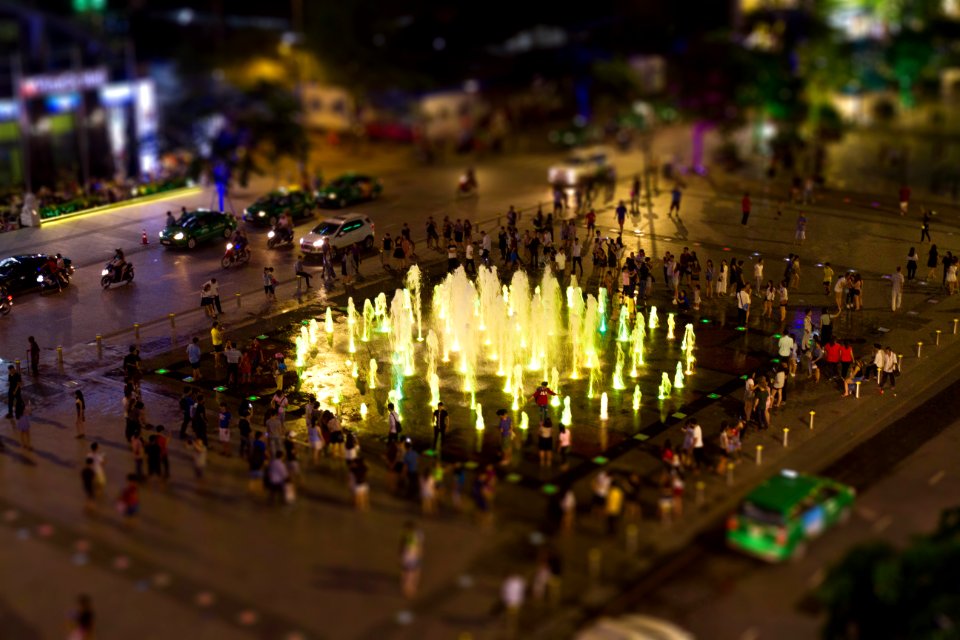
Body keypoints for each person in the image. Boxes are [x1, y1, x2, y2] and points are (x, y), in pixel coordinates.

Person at [399, 521, 424, 599]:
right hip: (412, 556)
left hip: (410, 556)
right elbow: (420, 546)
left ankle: (408, 588)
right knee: (412, 572)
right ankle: (410, 588)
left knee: (409, 573)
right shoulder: (419, 533)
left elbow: (403, 545)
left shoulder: (408, 535)